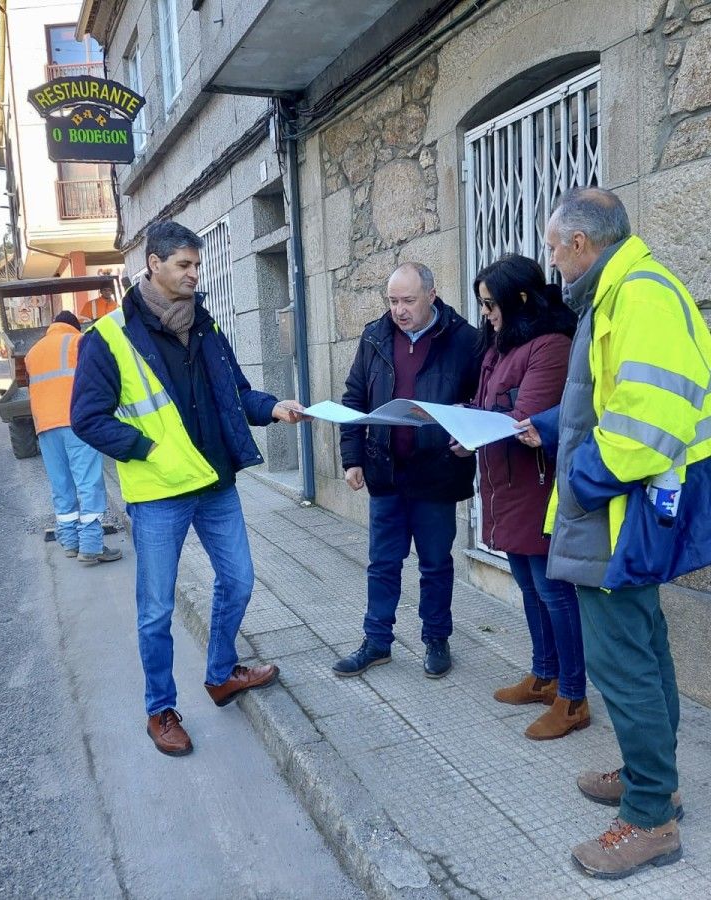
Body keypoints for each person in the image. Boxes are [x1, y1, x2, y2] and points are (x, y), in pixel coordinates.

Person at [514, 188, 711, 879]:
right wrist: (545, 431)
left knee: (623, 660)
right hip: (618, 508)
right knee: (641, 646)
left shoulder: (639, 294)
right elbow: (600, 402)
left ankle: (650, 817)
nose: (552, 262)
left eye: (552, 247)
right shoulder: (622, 289)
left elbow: (645, 423)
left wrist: (578, 481)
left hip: (616, 511)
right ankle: (650, 776)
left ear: (578, 243)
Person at [71, 220, 307, 758]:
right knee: (155, 608)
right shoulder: (109, 337)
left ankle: (221, 673)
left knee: (240, 581)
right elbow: (87, 418)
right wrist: (148, 449)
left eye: (198, 265)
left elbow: (236, 395)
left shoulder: (207, 326)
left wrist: (274, 407)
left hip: (216, 482)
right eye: (185, 265)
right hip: (159, 494)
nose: (195, 275)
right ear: (152, 264)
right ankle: (160, 709)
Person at [453, 254, 585, 741]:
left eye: (491, 303)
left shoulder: (550, 345)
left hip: (536, 485)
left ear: (520, 299)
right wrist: (455, 420)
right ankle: (544, 675)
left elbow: (522, 417)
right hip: (503, 483)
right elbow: (488, 406)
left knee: (554, 591)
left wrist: (473, 425)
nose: (485, 313)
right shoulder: (500, 345)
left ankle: (573, 697)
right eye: (482, 303)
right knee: (529, 588)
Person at [335, 262, 480, 679]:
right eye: (393, 301)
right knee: (382, 563)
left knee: (435, 564)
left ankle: (436, 639)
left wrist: (466, 433)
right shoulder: (374, 336)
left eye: (408, 301)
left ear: (431, 295)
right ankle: (376, 640)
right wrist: (352, 457)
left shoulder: (464, 340)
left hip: (436, 472)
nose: (399, 310)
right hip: (386, 472)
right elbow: (354, 397)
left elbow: (483, 400)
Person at [26, 310, 122, 565]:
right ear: (74, 327)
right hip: (77, 422)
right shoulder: (80, 341)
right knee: (88, 483)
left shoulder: (33, 352)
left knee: (61, 485)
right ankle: (91, 546)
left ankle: (69, 542)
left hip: (45, 426)